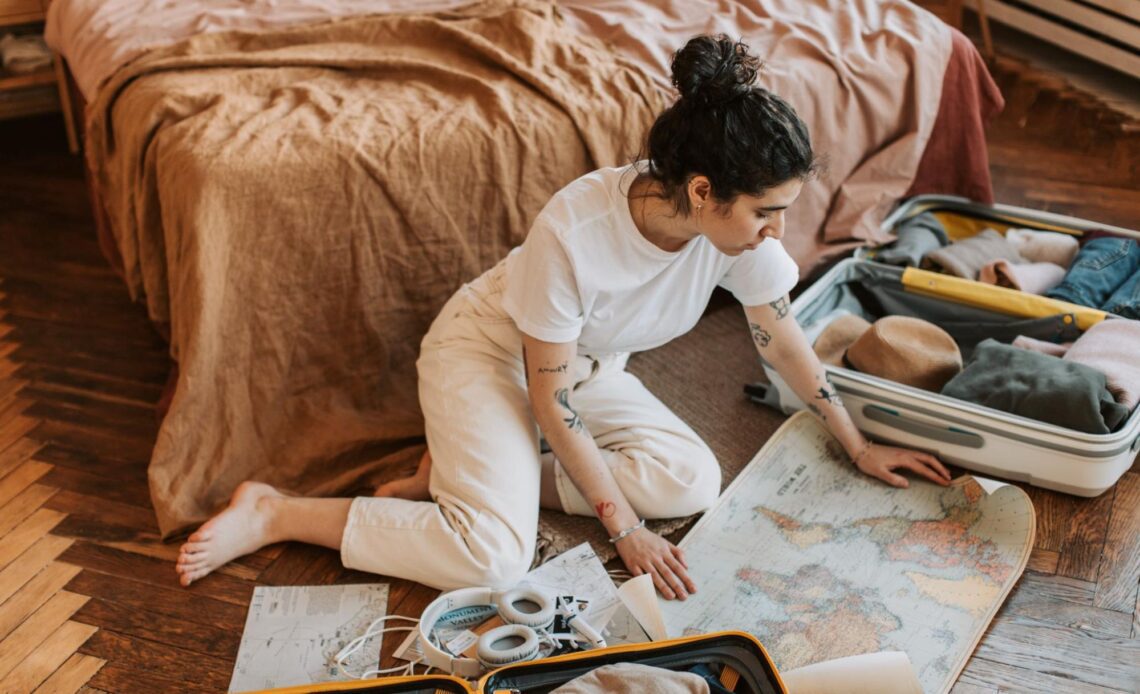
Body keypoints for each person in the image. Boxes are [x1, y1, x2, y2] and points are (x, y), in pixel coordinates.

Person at [176, 35, 950, 598]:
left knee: (690, 480)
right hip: (487, 358)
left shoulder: (730, 231)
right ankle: (278, 512)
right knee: (491, 560)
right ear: (706, 190)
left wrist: (855, 445)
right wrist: (625, 532)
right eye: (768, 213)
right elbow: (549, 401)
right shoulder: (575, 232)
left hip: (587, 368)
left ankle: (463, 476)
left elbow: (781, 338)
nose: (780, 232)